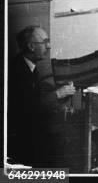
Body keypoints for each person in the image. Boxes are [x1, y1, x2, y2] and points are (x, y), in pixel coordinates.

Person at [8, 26, 76, 167]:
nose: (49, 46)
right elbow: (30, 107)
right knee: (72, 138)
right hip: (25, 137)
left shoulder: (27, 64)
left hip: (32, 128)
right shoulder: (17, 71)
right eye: (44, 42)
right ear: (32, 46)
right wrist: (59, 93)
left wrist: (57, 90)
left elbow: (35, 91)